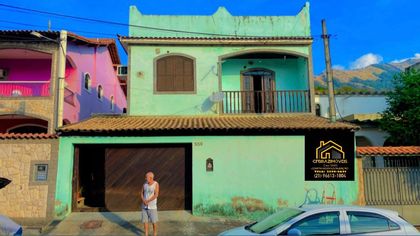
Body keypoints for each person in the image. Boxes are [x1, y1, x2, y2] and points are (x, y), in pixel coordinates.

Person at [140, 171, 159, 236]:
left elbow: (156, 195)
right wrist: (143, 200)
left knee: (154, 221)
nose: (145, 178)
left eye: (146, 177)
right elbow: (141, 193)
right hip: (144, 206)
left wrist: (148, 201)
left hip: (152, 207)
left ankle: (155, 233)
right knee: (145, 222)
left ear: (151, 178)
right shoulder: (144, 184)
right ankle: (146, 234)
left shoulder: (156, 184)